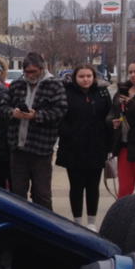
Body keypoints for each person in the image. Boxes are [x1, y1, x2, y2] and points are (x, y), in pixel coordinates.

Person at [2, 52, 67, 210]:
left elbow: (61, 110)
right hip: (18, 148)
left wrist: (37, 115)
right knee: (17, 193)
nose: (30, 75)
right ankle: (19, 222)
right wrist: (13, 113)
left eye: (33, 71)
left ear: (42, 68)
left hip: (41, 149)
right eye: (27, 72)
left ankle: (45, 223)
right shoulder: (16, 85)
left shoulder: (55, 85)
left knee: (41, 194)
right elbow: (3, 106)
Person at [54, 65, 112, 229]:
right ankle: (77, 221)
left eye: (88, 76)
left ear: (94, 77)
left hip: (96, 146)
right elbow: (60, 118)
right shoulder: (66, 92)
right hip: (73, 148)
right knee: (76, 186)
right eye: (81, 76)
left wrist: (109, 144)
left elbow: (109, 116)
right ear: (75, 78)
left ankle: (92, 222)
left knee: (93, 186)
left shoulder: (101, 93)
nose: (85, 79)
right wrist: (69, 132)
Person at [110, 60, 135, 196]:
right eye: (130, 72)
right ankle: (124, 209)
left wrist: (130, 103)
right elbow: (112, 112)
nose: (133, 75)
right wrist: (112, 121)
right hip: (124, 145)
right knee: (124, 189)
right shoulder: (122, 90)